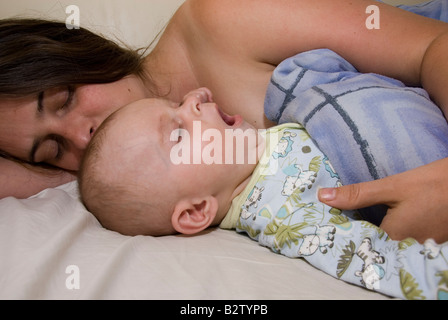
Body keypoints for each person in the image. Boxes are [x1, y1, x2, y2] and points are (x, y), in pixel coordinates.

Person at [1, 0, 448, 241]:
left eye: (63, 99)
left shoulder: (219, 19)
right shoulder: (129, 185)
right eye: (53, 150)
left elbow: (431, 47)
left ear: (80, 53)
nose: (82, 136)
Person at [78, 88, 448, 300]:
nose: (195, 97)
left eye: (176, 103)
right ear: (196, 212)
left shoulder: (254, 151)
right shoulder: (284, 215)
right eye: (178, 133)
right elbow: (385, 266)